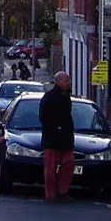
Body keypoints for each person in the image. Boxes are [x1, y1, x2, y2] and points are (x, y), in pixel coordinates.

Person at [39, 71, 75, 201]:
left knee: (69, 163)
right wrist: (56, 128)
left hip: (66, 138)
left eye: (68, 81)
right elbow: (44, 117)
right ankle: (50, 194)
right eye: (66, 81)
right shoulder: (49, 96)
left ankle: (62, 190)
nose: (68, 83)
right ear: (58, 81)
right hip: (52, 138)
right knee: (50, 168)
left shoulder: (66, 96)